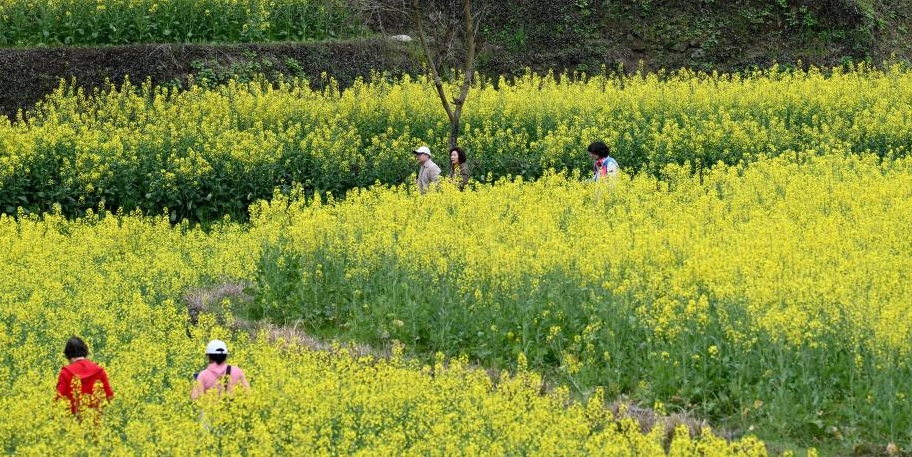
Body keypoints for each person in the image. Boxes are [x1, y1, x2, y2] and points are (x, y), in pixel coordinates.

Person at [56, 336, 114, 416]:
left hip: (72, 423)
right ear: (85, 351)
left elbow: (58, 400)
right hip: (96, 421)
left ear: (67, 355)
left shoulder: (65, 373)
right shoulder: (99, 371)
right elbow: (110, 397)